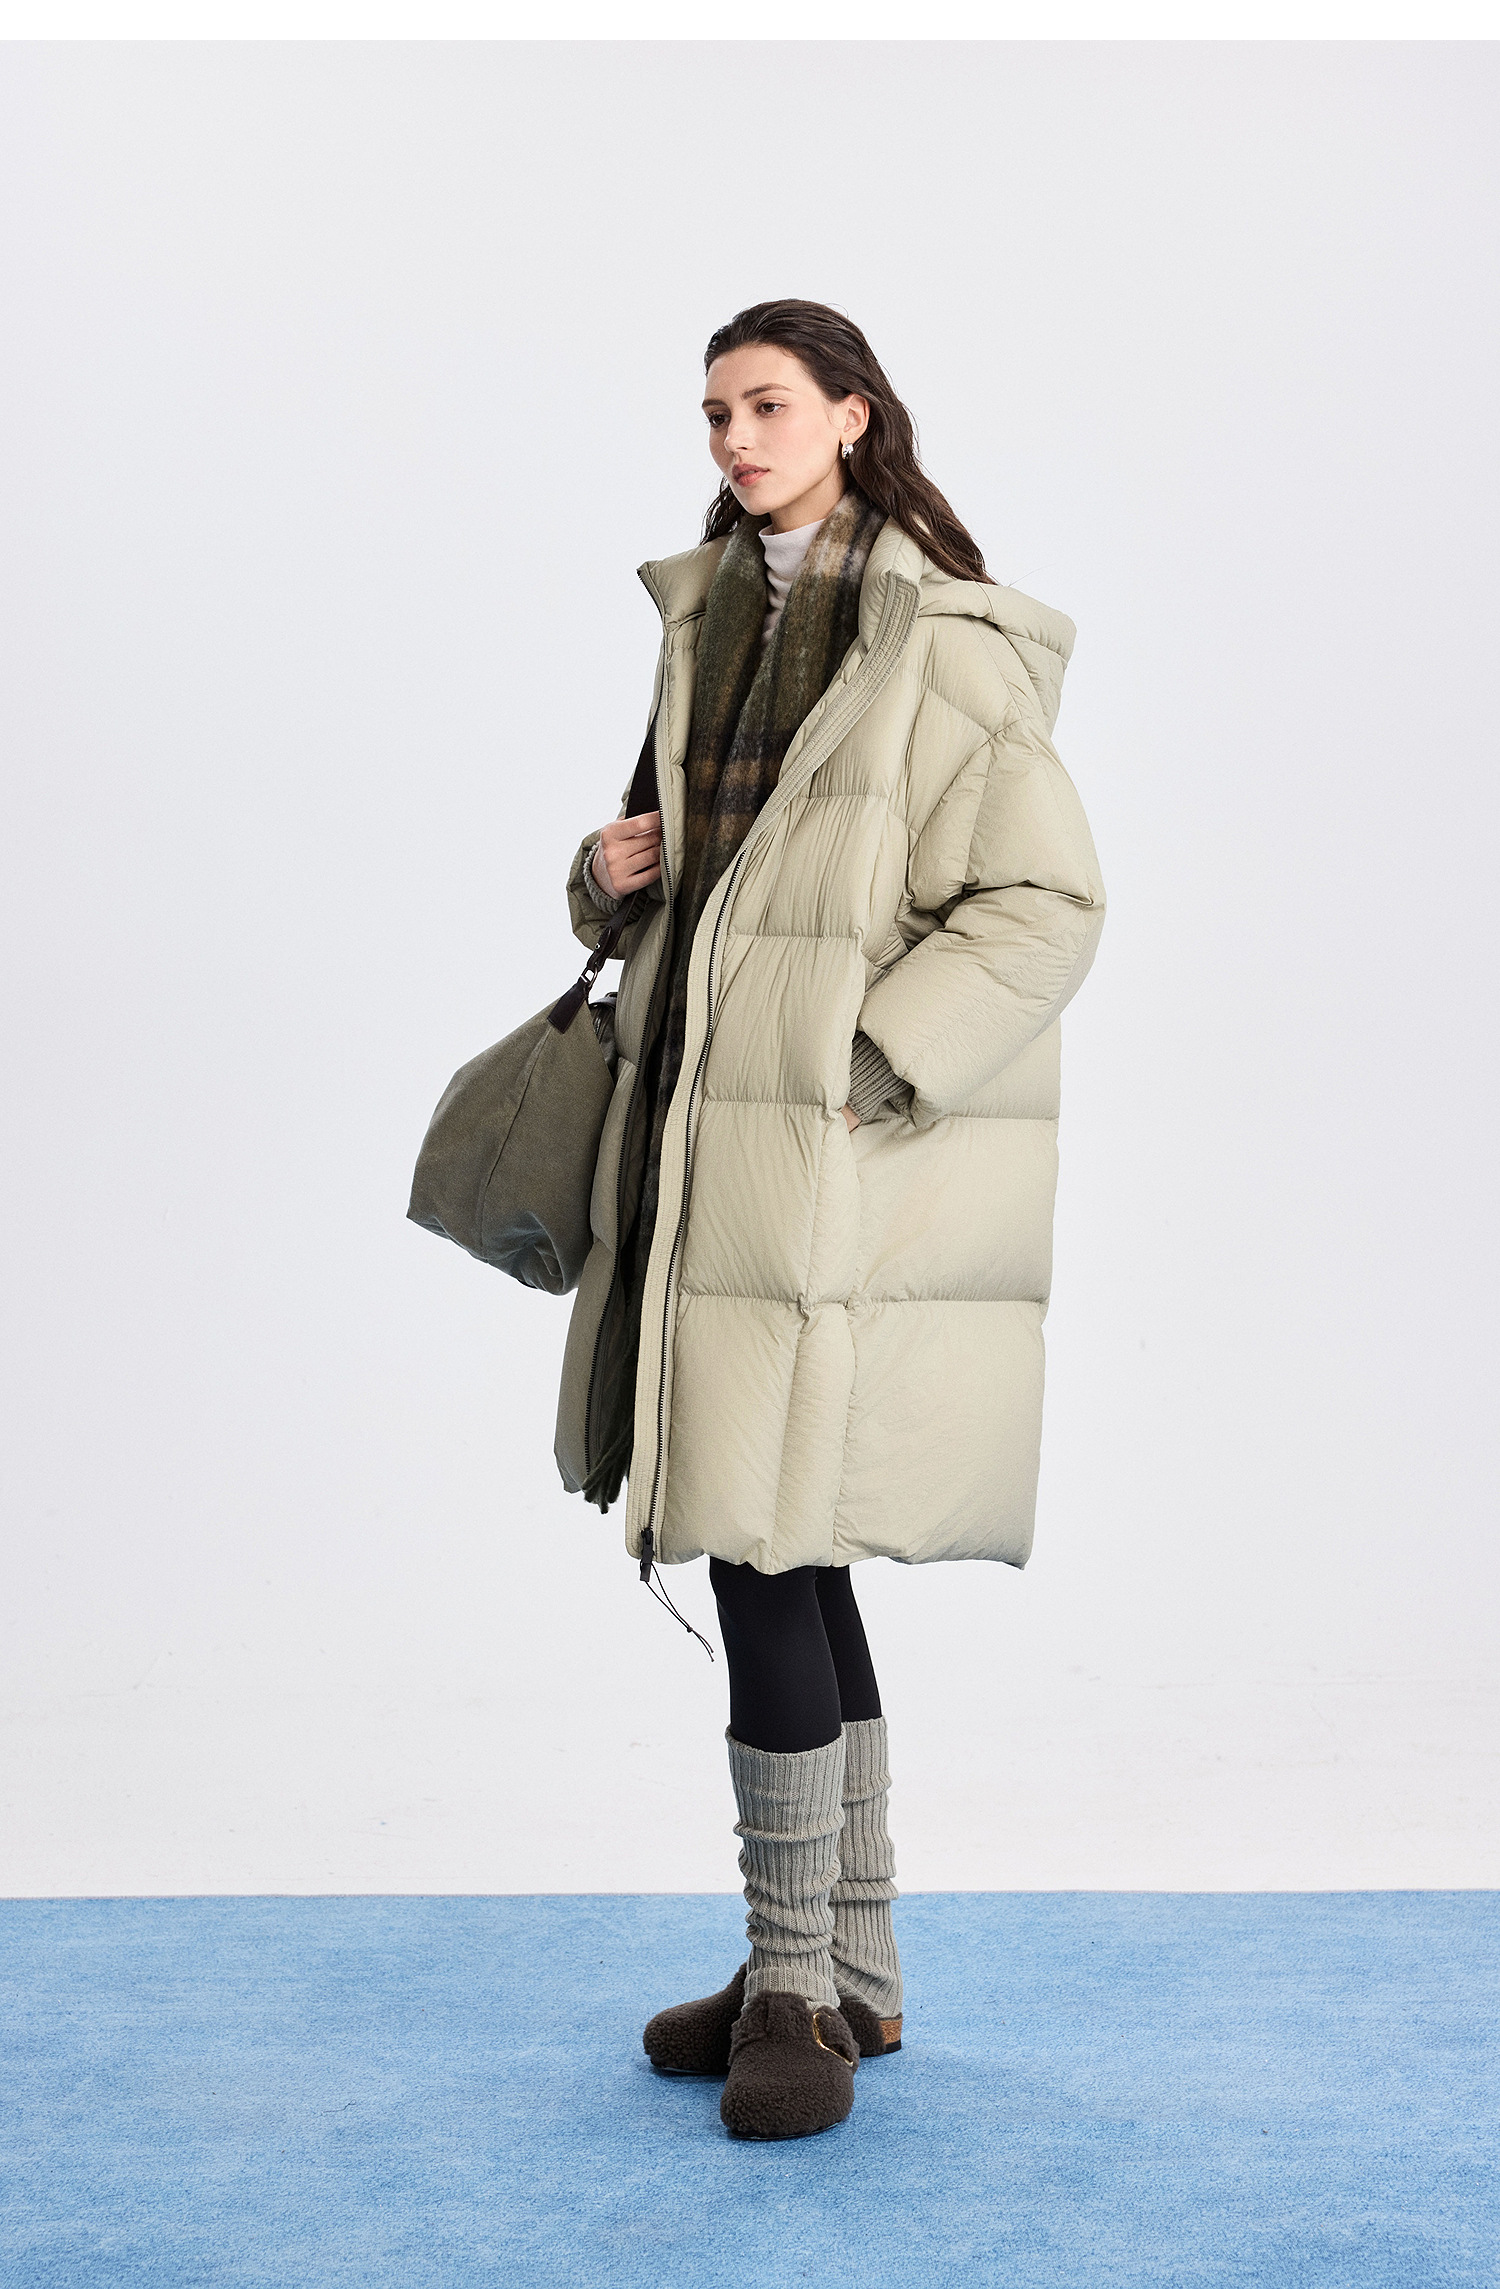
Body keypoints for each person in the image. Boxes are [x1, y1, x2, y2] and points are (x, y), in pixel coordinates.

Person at [557, 299, 1104, 2140]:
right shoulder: (709, 620)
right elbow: (688, 891)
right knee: (788, 1543)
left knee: (760, 1537)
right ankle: (849, 1973)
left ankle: (790, 1974)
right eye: (714, 411)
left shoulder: (937, 642)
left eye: (768, 404)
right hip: (703, 1152)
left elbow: (1046, 901)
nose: (734, 437)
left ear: (854, 416)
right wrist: (600, 874)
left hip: (823, 1163)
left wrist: (872, 1056)